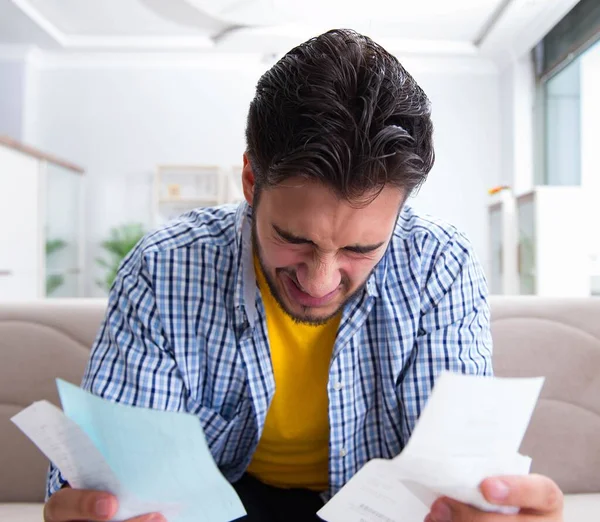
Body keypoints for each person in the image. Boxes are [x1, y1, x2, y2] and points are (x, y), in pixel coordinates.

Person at [43, 29, 564, 522]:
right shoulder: (165, 267)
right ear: (251, 180)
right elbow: (117, 470)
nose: (319, 283)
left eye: (360, 249)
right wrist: (95, 504)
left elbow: (455, 467)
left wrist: (484, 504)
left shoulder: (440, 268)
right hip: (225, 499)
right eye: (295, 239)